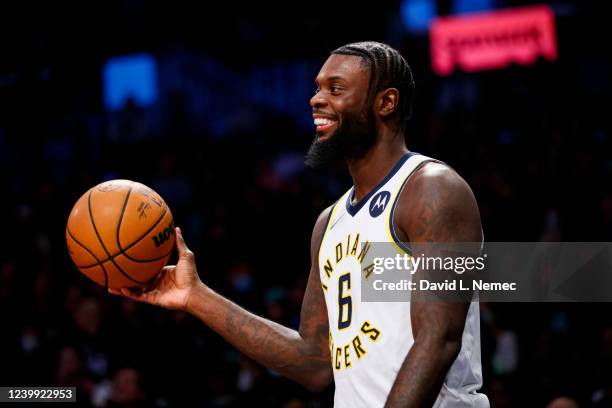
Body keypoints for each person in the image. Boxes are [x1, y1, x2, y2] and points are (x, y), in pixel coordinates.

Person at [110, 41, 489, 407]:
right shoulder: (329, 223)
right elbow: (313, 363)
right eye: (318, 88)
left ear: (386, 102)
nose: (316, 99)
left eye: (336, 89)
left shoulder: (432, 190)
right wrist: (196, 297)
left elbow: (438, 339)